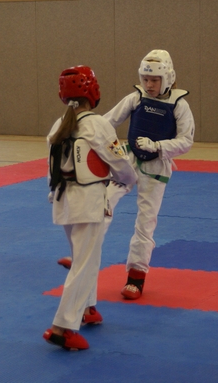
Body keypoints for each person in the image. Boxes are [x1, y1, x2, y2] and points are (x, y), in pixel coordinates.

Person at [58, 50, 195, 300]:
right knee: (103, 203)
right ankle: (82, 254)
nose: (149, 85)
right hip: (127, 160)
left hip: (156, 167)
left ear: (168, 78)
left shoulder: (179, 105)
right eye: (145, 79)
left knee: (145, 222)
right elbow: (106, 122)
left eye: (154, 80)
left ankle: (136, 277)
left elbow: (186, 141)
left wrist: (158, 146)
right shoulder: (135, 98)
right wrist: (81, 131)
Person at [43, 66, 137, 351]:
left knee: (83, 258)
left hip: (63, 201)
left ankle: (88, 308)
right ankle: (62, 327)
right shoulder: (97, 124)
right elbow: (119, 162)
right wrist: (129, 180)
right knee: (84, 265)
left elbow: (51, 169)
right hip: (88, 201)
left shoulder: (60, 124)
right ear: (93, 92)